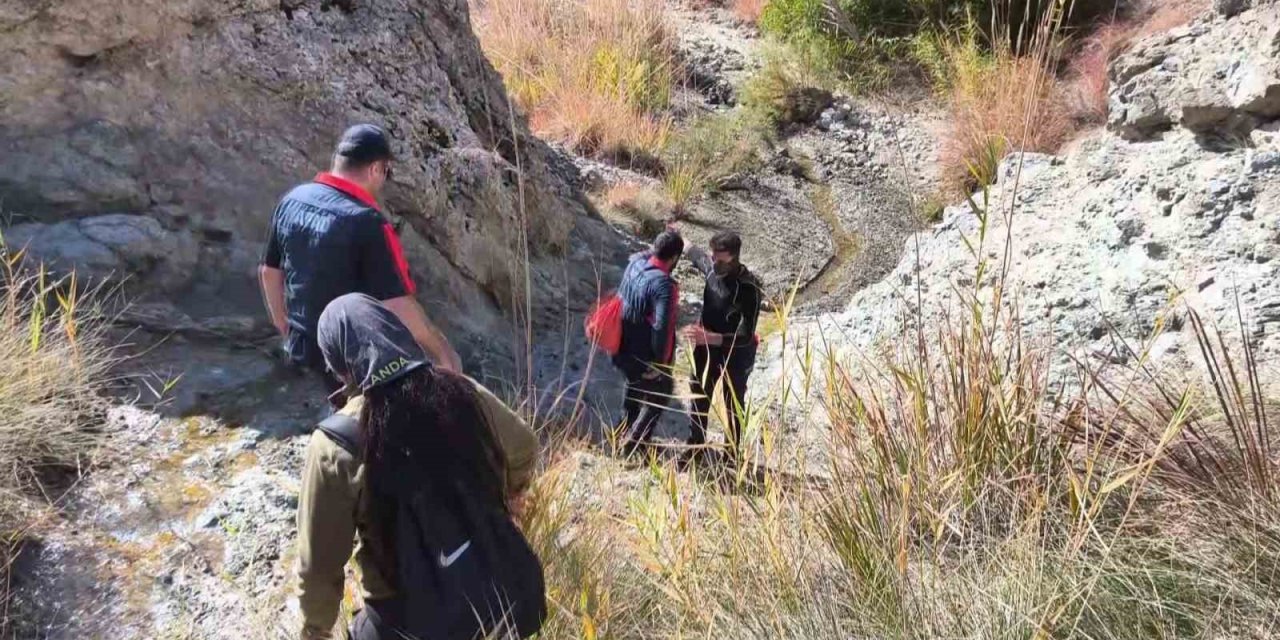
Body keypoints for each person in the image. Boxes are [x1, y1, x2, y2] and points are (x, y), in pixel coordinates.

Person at [296, 293, 539, 640]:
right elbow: (524, 446)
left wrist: (314, 631)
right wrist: (508, 496)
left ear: (339, 366)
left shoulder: (337, 445)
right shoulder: (460, 390)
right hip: (502, 590)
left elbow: (319, 566)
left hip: (409, 623)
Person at [259, 124, 461, 404]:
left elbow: (269, 273)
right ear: (376, 169)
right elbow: (397, 305)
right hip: (348, 359)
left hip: (303, 344)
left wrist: (284, 326)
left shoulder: (293, 199)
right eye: (387, 172)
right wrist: (442, 352)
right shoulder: (367, 222)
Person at [683, 231, 763, 463]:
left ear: (734, 258)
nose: (714, 263)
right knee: (699, 396)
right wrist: (679, 237)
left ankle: (731, 454)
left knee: (733, 403)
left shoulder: (748, 288)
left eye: (720, 259)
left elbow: (746, 336)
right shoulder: (712, 268)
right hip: (705, 349)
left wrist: (709, 338)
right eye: (713, 257)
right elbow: (695, 254)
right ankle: (695, 447)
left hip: (735, 355)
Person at [612, 229, 683, 453]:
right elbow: (662, 326)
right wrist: (659, 364)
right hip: (642, 353)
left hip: (620, 346)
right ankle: (633, 445)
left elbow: (645, 253)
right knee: (661, 391)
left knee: (633, 388)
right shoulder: (664, 285)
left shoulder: (635, 264)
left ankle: (619, 437)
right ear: (674, 259)